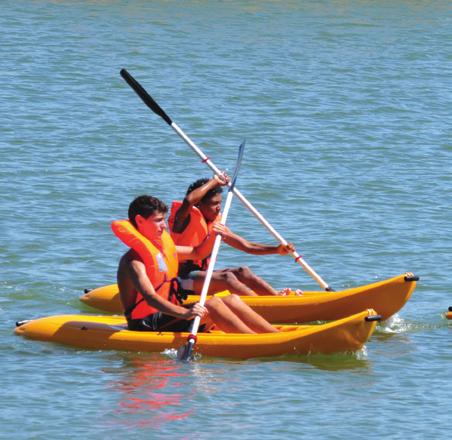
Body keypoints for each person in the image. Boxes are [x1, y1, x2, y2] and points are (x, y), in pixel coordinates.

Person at [115, 195, 279, 333]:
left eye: (164, 219)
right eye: (158, 221)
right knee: (212, 303)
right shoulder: (133, 261)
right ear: (140, 221)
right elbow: (150, 298)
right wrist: (185, 313)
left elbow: (197, 253)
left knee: (230, 299)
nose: (164, 225)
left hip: (168, 316)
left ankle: (272, 334)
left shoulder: (163, 248)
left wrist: (213, 236)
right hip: (145, 324)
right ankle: (253, 341)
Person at [168, 175, 299, 296]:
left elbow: (247, 246)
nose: (219, 207)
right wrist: (214, 181)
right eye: (214, 203)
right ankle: (263, 307)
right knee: (227, 278)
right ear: (199, 204)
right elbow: (189, 200)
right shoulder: (182, 220)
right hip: (180, 280)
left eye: (220, 203)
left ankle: (275, 298)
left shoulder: (216, 225)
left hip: (201, 276)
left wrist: (276, 249)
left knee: (243, 271)